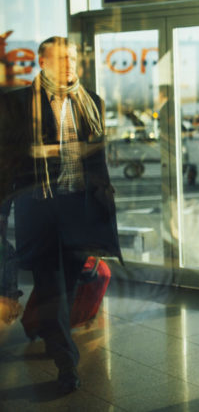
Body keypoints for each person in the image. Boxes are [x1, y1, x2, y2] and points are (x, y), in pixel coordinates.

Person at [0, 36, 121, 393]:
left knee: (65, 289)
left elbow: (97, 163)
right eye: (61, 58)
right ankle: (66, 362)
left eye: (73, 58)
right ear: (42, 62)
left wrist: (101, 216)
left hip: (78, 211)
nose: (70, 64)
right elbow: (8, 162)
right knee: (52, 284)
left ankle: (47, 330)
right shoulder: (18, 104)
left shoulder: (91, 102)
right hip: (38, 210)